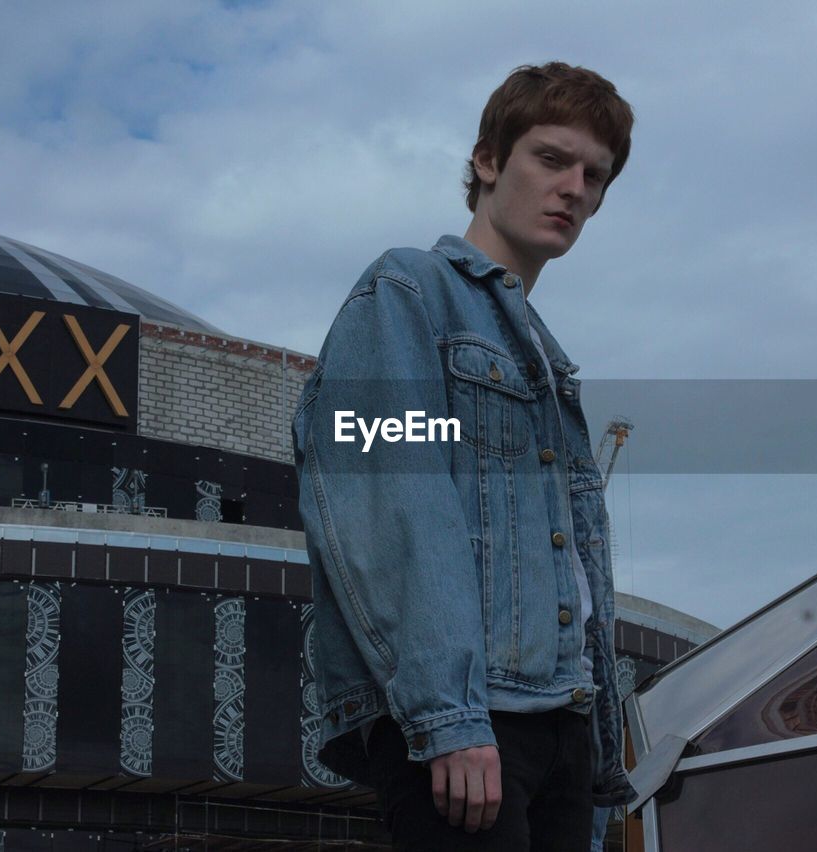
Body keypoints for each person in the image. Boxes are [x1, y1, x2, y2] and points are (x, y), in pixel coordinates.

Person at [292, 61, 636, 850]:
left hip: (562, 721)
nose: (575, 189)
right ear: (487, 161)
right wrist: (448, 717)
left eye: (596, 176)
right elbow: (401, 502)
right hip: (473, 724)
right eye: (551, 160)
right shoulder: (409, 293)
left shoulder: (544, 355)